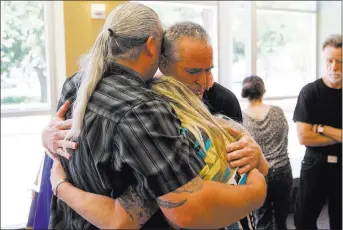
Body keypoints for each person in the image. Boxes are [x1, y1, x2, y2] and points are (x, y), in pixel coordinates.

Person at [45, 4, 267, 229]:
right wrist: (256, 192)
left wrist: (254, 154)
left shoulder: (77, 82)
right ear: (154, 50)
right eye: (192, 71)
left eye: (208, 69)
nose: (203, 80)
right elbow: (185, 209)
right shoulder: (144, 109)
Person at [293, 34, 342, 230]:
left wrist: (322, 129)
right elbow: (304, 136)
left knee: (340, 219)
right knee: (304, 219)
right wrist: (339, 135)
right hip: (314, 166)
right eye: (329, 61)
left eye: (340, 62)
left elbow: (312, 132)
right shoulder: (310, 92)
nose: (334, 67)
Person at [241, 75, 293, 229]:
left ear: (243, 93)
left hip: (258, 175)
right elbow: (285, 137)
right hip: (282, 170)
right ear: (263, 91)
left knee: (262, 220)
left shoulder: (242, 118)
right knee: (282, 219)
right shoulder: (277, 111)